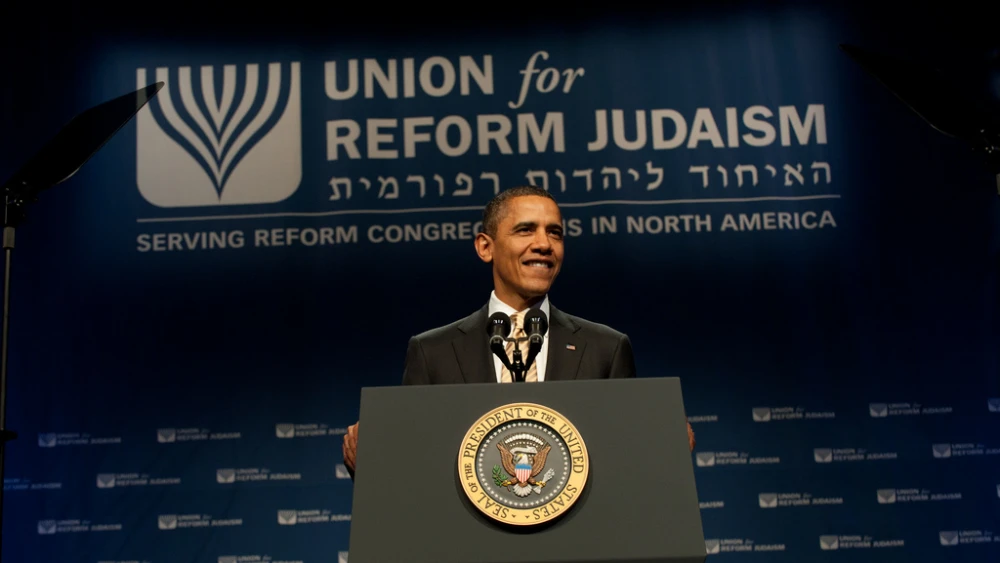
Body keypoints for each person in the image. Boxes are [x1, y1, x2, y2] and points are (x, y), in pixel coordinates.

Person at [341, 186, 694, 474]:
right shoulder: (433, 351)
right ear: (485, 247)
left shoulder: (607, 348)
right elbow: (413, 464)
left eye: (554, 233)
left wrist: (663, 449)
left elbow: (625, 463)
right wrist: (375, 458)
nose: (544, 244)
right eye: (526, 230)